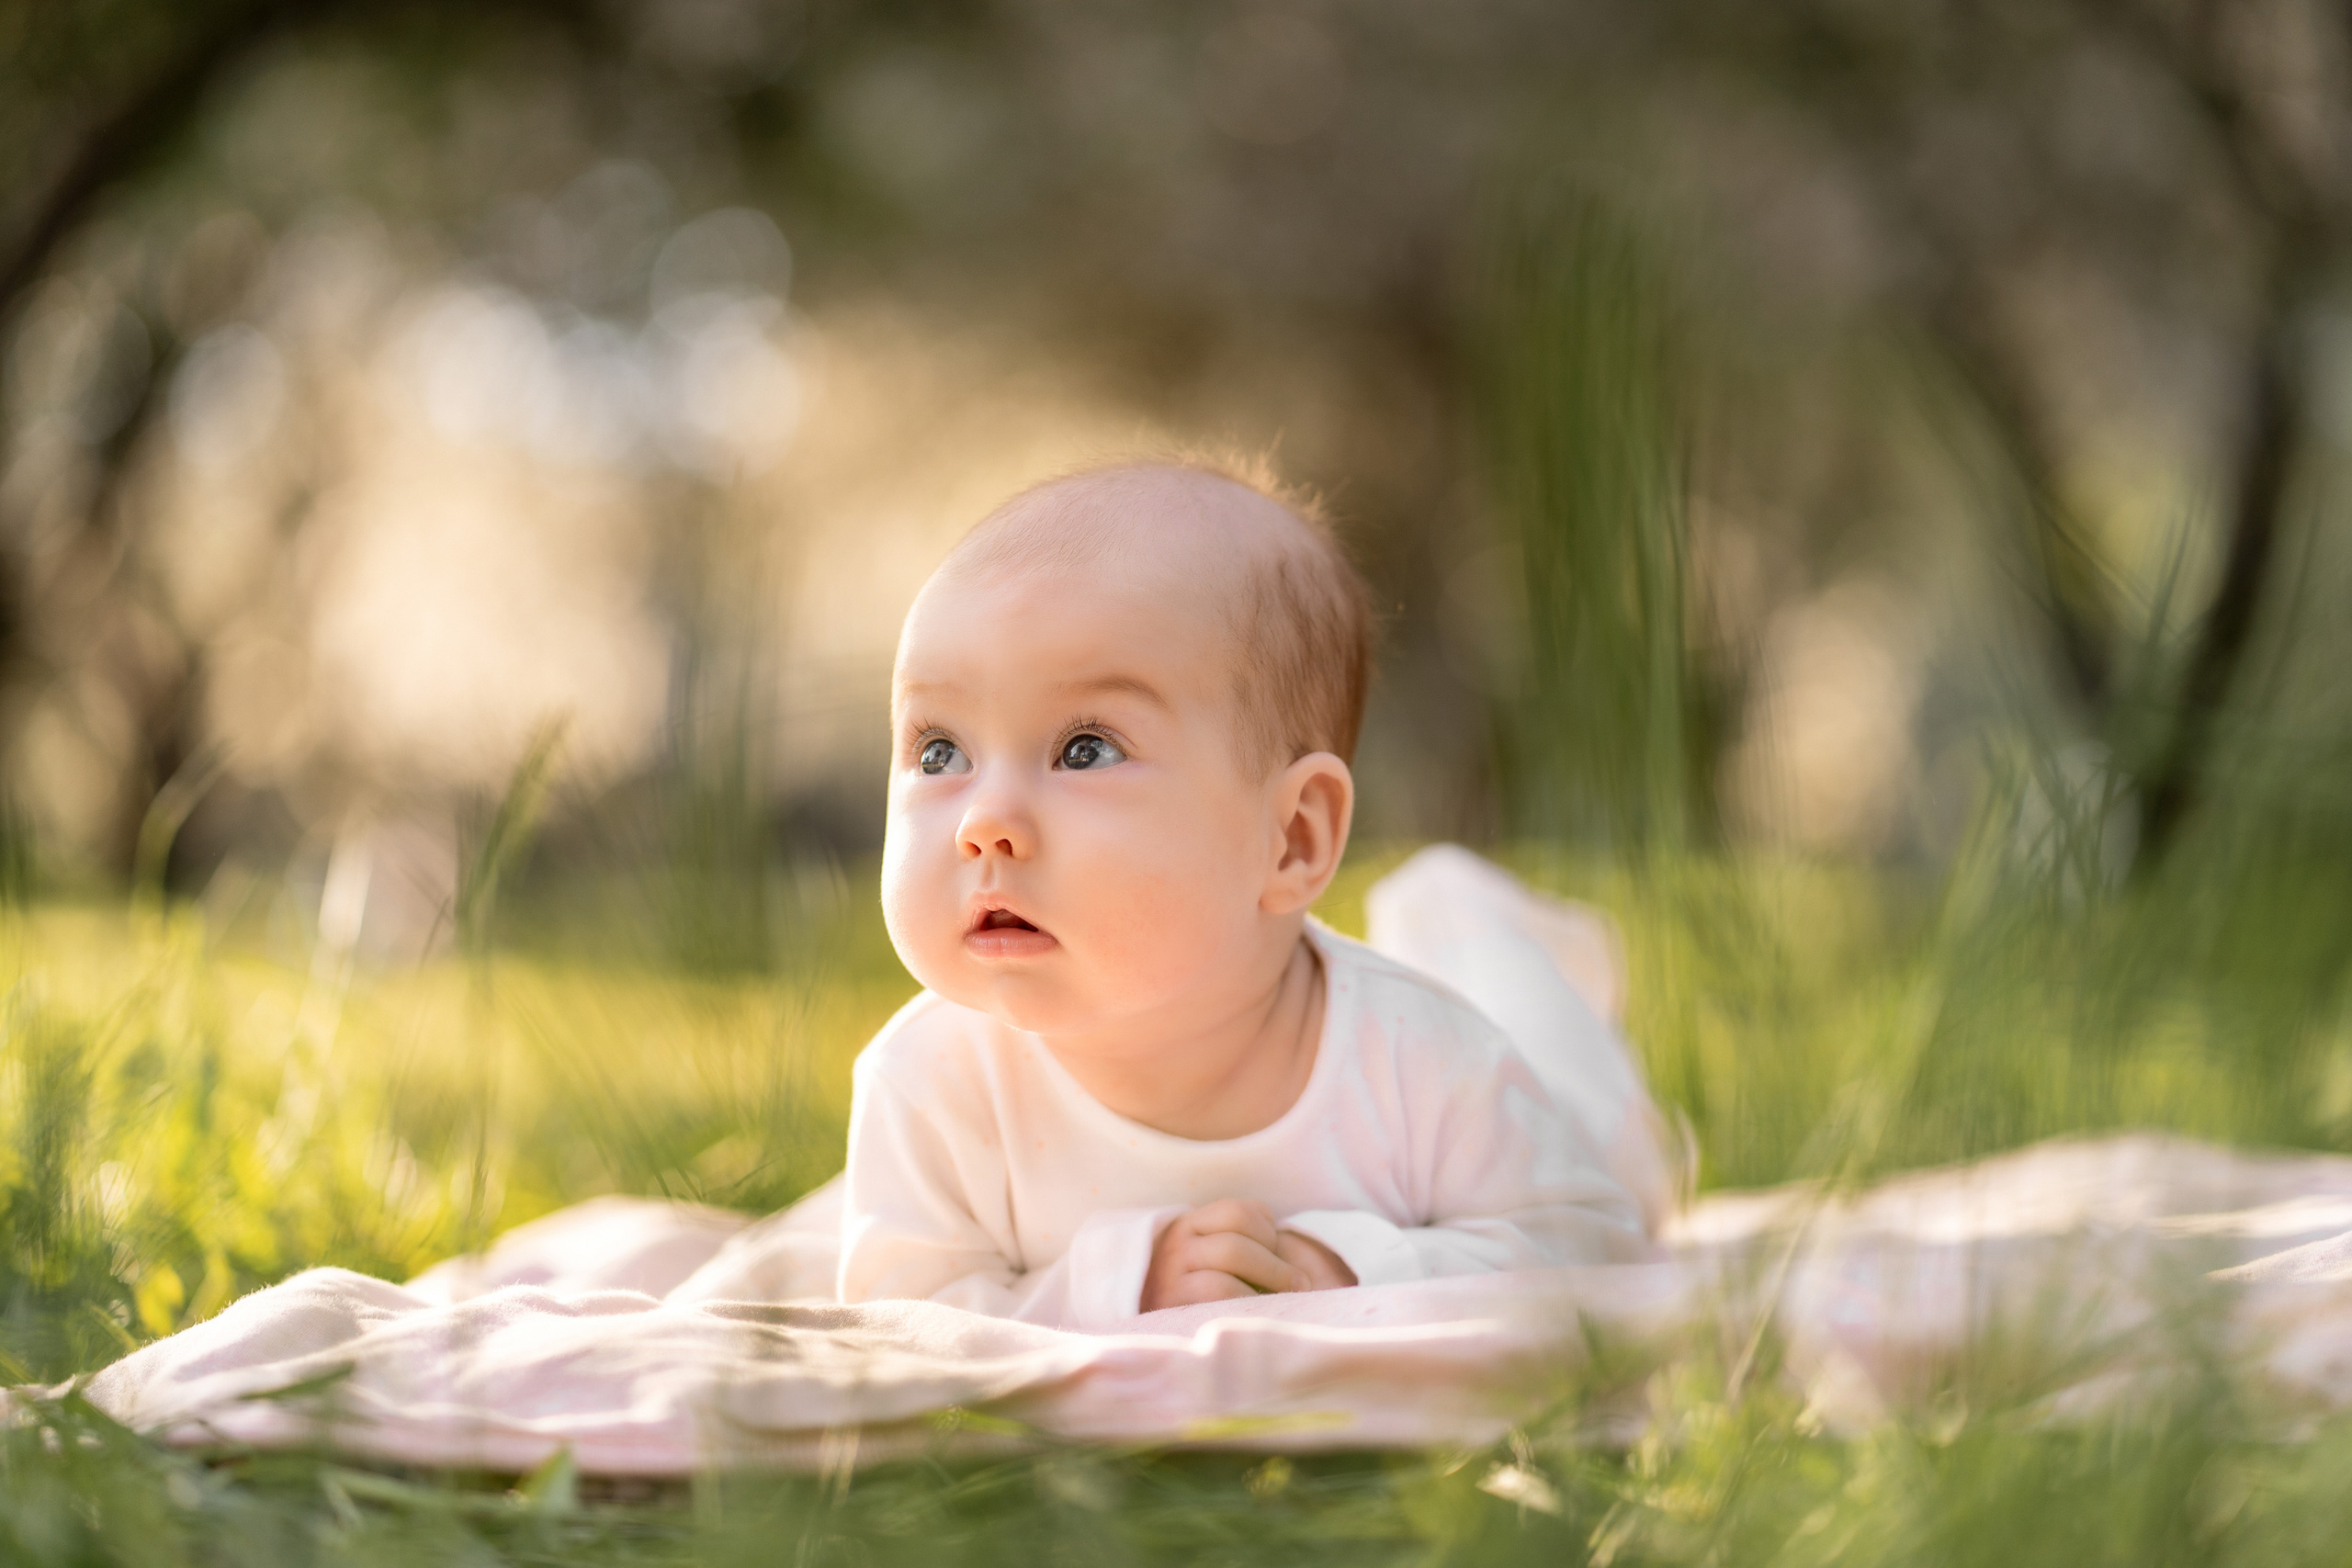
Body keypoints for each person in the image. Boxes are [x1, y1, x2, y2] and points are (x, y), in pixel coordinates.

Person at [836, 457, 1652, 1331]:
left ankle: (1482, 933)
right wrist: (1126, 1283)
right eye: (939, 752)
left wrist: (1347, 1268)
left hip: (1543, 1085)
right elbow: (905, 1318)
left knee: (1604, 1123)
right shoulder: (929, 1084)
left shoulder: (1420, 1057)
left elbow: (1595, 1240)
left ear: (1291, 836)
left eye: (1085, 750)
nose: (984, 821)